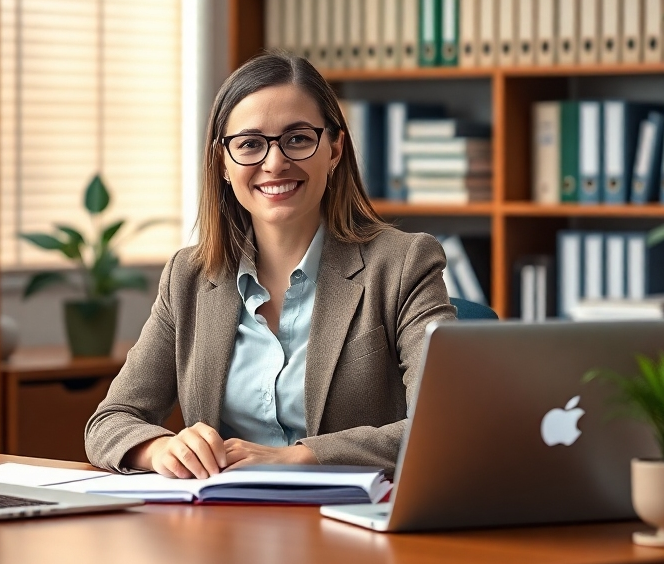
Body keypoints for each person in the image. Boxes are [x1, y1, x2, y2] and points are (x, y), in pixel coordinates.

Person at [84, 51, 456, 478]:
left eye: (298, 139)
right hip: (220, 528)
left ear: (334, 150)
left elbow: (446, 422)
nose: (275, 162)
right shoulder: (188, 277)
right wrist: (160, 448)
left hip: (349, 528)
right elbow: (109, 421)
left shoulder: (402, 264)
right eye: (249, 144)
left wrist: (300, 457)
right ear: (222, 163)